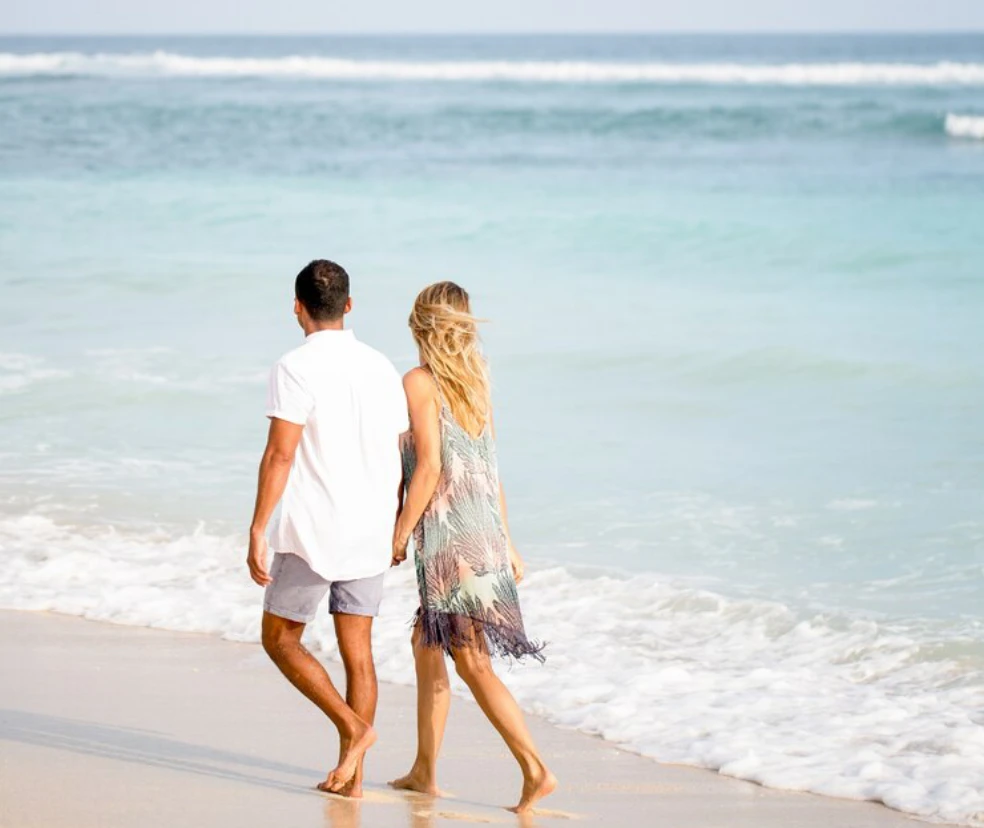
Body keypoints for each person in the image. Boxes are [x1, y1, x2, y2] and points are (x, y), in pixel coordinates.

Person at [388, 281, 556, 813]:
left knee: (473, 662)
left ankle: (535, 768)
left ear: (419, 324)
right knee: (427, 645)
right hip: (482, 535)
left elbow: (432, 465)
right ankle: (424, 769)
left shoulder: (418, 382)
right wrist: (508, 543)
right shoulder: (475, 385)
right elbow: (490, 473)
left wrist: (397, 531)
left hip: (451, 542)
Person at [246, 259, 408, 797]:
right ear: (349, 305)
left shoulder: (294, 366)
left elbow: (280, 454)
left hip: (316, 529)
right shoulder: (382, 366)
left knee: (279, 638)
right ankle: (352, 781)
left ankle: (352, 729)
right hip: (373, 527)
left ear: (297, 308)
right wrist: (402, 521)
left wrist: (257, 528)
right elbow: (404, 449)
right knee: (358, 652)